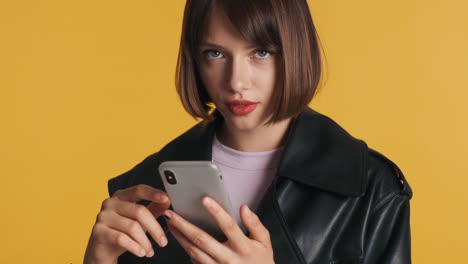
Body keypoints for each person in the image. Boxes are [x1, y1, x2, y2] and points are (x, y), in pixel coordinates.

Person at [84, 0, 413, 263]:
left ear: (296, 52)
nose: (236, 81)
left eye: (261, 52)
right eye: (215, 54)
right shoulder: (143, 188)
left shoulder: (371, 190)